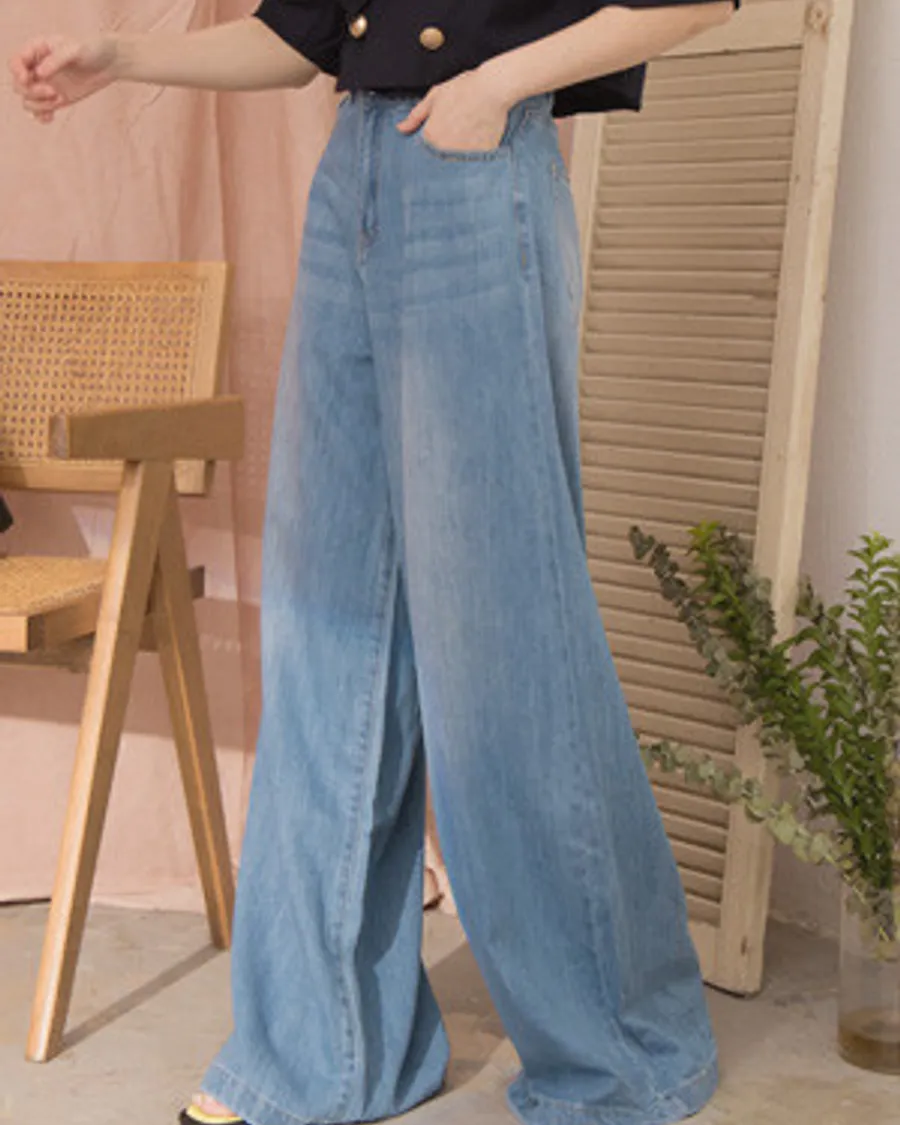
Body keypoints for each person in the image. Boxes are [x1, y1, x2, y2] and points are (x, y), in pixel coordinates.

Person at [10, 3, 739, 1124]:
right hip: (354, 171)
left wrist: (499, 87)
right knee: (327, 624)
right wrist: (124, 56)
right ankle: (323, 1055)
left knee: (503, 639)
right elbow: (304, 32)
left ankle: (621, 1055)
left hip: (477, 168)